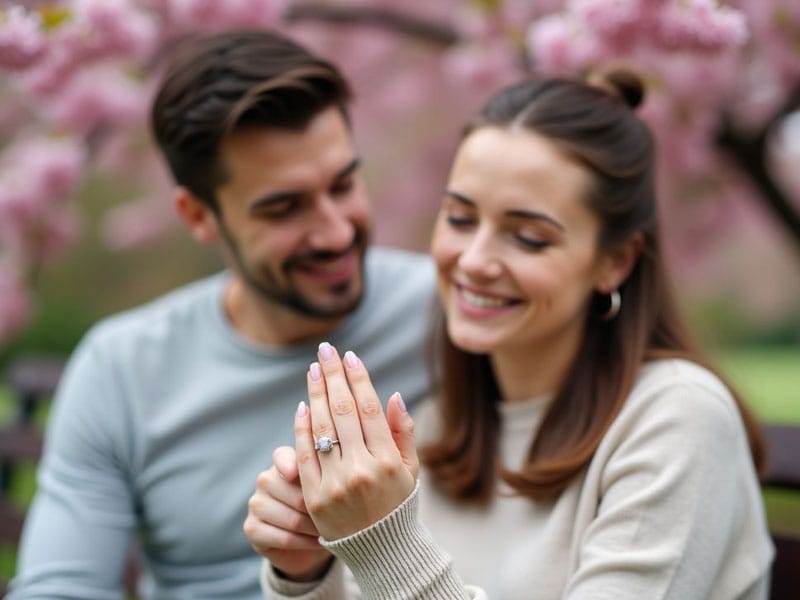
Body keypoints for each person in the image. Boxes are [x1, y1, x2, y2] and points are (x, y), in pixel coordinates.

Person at [244, 69, 775, 599]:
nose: (474, 261)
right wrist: (306, 574)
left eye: (527, 238)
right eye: (459, 218)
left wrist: (388, 548)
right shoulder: (430, 429)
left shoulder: (679, 421)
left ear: (615, 262)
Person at [9, 29, 436, 599]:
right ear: (198, 216)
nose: (334, 231)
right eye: (284, 208)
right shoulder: (122, 369)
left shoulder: (449, 314)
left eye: (343, 184)